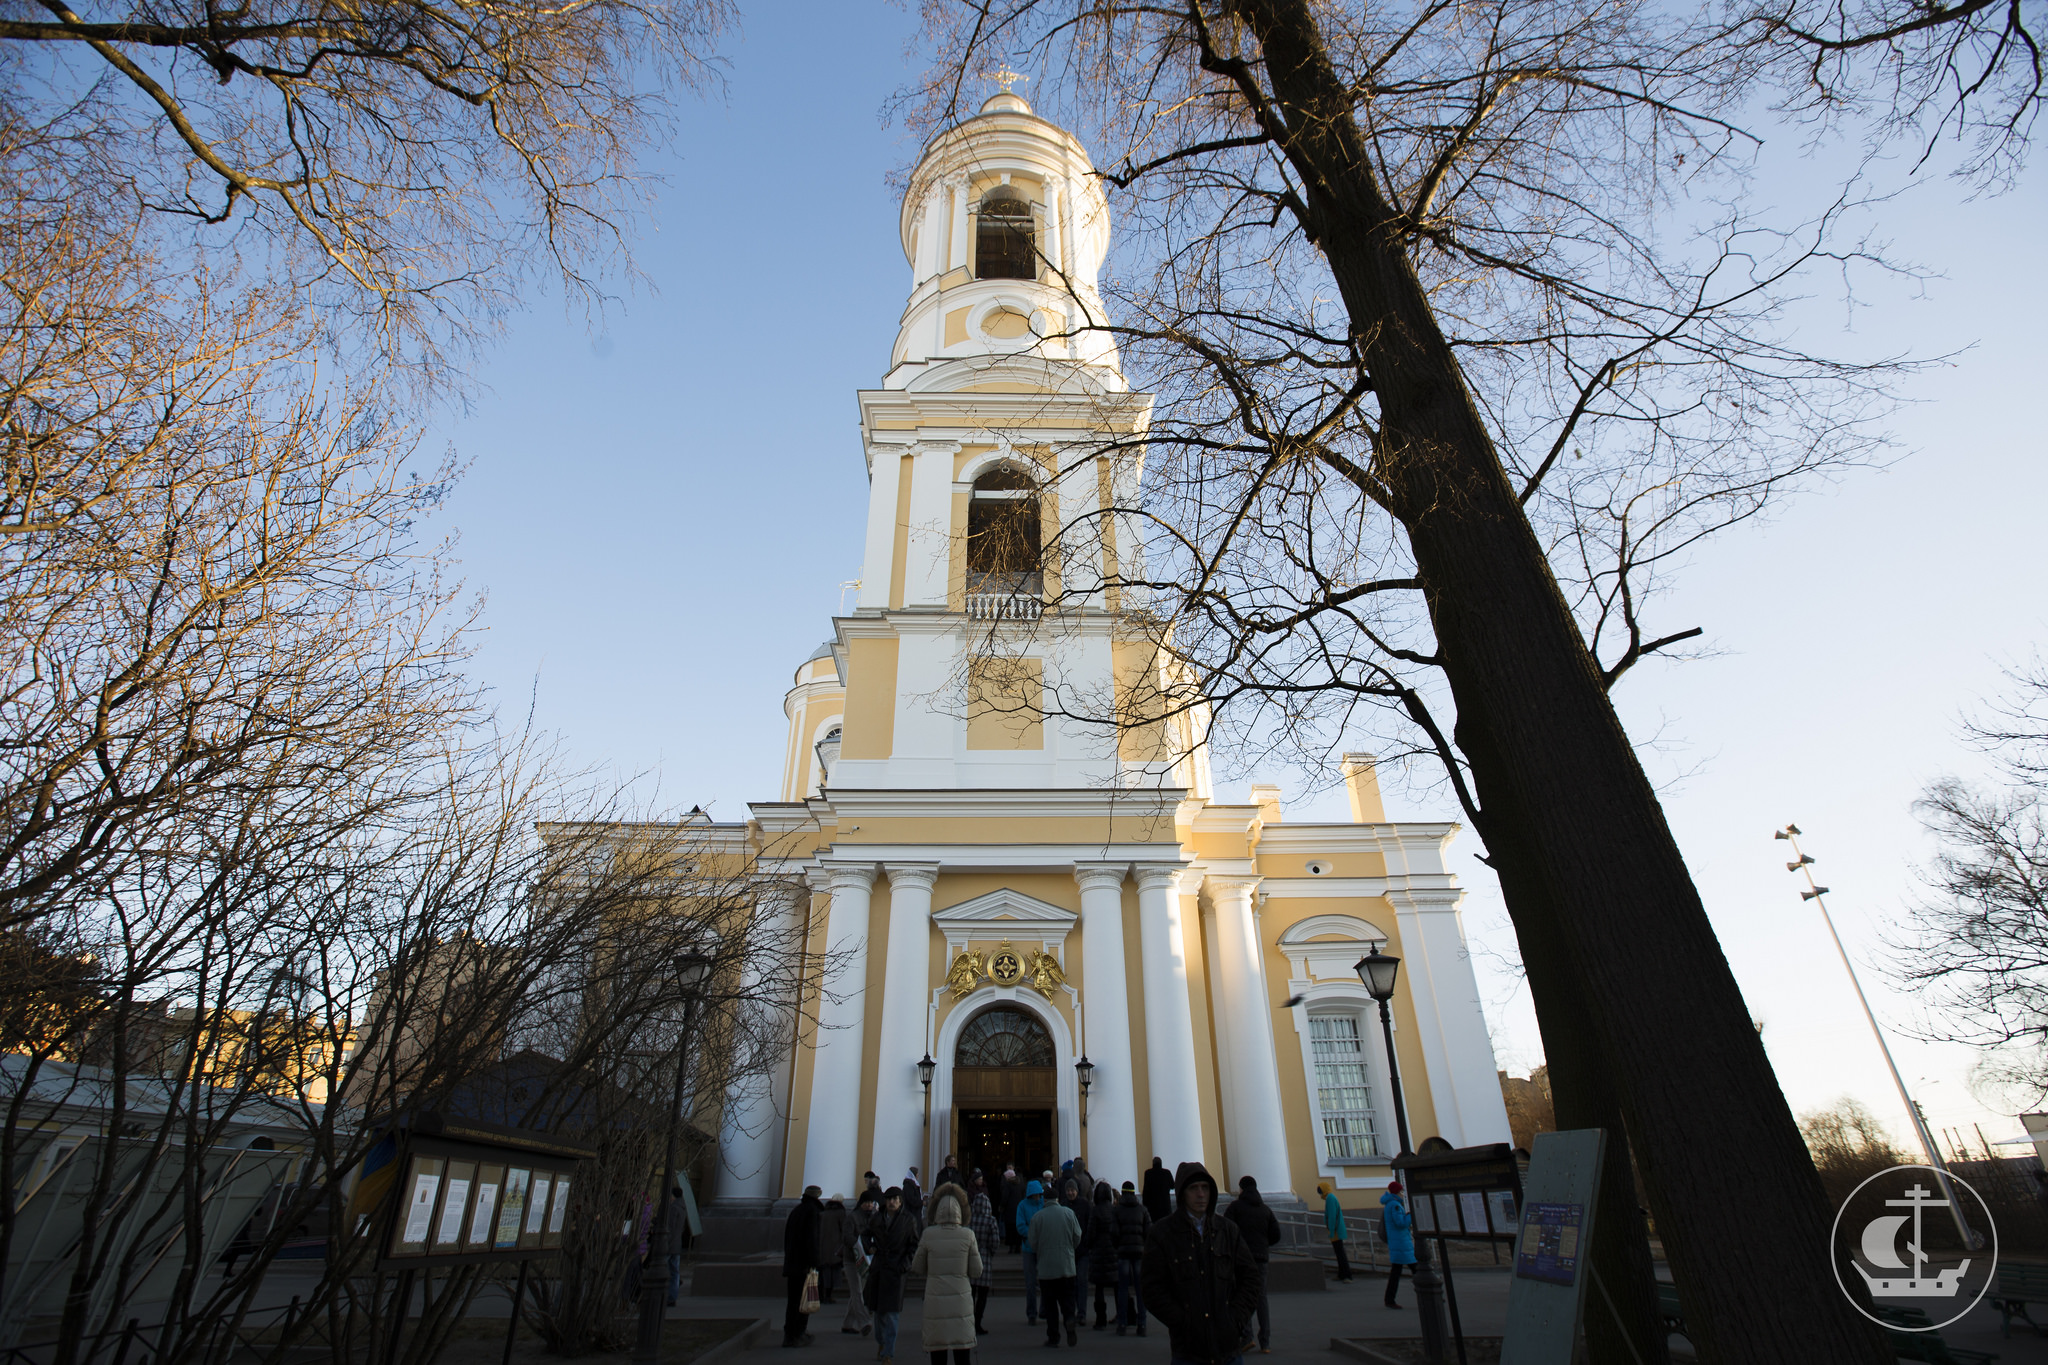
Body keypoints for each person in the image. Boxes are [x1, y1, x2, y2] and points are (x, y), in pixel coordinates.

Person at [1140, 1163, 1260, 1365]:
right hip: (1188, 1351)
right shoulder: (1163, 1234)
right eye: (1193, 1189)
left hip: (1228, 1349)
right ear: (1181, 1194)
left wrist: (1235, 1319)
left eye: (1205, 1188)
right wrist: (1182, 1322)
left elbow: (1251, 1278)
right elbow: (1151, 1288)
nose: (1201, 1194)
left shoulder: (1228, 1231)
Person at [912, 1183, 984, 1365]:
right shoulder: (967, 1235)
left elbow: (917, 1267)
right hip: (961, 1302)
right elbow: (977, 1270)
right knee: (962, 1355)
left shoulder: (928, 1234)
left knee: (938, 1354)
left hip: (935, 1301)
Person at [1224, 1176, 1281, 1353]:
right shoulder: (1265, 1210)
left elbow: (1226, 1229)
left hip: (1242, 1259)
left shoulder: (1235, 1208)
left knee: (1243, 1296)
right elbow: (1276, 1234)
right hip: (1262, 1258)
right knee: (1261, 1298)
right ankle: (1266, 1342)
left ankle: (1246, 1337)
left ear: (1241, 1189)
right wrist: (1264, 1246)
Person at [864, 1187, 920, 1364]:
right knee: (879, 1313)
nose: (892, 1202)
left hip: (896, 1270)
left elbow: (913, 1245)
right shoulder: (877, 1219)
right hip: (880, 1268)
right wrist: (869, 1247)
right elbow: (865, 1235)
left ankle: (888, 1352)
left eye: (895, 1199)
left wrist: (905, 1264)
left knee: (893, 1313)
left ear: (901, 1201)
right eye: (889, 1199)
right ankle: (881, 1342)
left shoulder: (908, 1220)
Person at [1029, 1176, 1086, 1347]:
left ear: (1045, 1200)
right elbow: (1078, 1236)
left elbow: (1032, 1242)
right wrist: (1070, 1250)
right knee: (1068, 1299)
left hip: (1047, 1268)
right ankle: (1069, 1320)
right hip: (1067, 1266)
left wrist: (1042, 1251)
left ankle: (1053, 1336)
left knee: (1050, 1303)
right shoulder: (1069, 1213)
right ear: (1057, 1199)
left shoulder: (1038, 1217)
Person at [782, 1185, 823, 1348]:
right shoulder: (812, 1212)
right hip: (805, 1266)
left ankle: (789, 1334)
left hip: (792, 1264)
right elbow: (812, 1240)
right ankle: (798, 1334)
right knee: (804, 1301)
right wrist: (815, 1263)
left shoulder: (796, 1211)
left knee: (793, 1301)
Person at [1112, 1180, 1150, 1336]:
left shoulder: (1117, 1210)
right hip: (1139, 1254)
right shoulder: (1142, 1210)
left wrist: (1118, 1246)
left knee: (1122, 1289)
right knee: (1140, 1290)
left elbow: (1113, 1232)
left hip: (1123, 1254)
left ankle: (1122, 1323)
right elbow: (1149, 1231)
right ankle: (1142, 1324)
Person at [968, 1177, 1001, 1335]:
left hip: (970, 1260)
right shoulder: (990, 1220)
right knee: (982, 1295)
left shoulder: (969, 1220)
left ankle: (968, 1322)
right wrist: (990, 1253)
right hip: (985, 1260)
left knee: (970, 1294)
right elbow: (995, 1242)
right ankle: (978, 1322)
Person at [1059, 1176, 1093, 1333]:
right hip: (1068, 1250)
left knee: (1082, 1281)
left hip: (1082, 1250)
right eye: (1068, 1190)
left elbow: (1089, 1224)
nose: (1070, 1192)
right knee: (1070, 1283)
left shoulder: (1084, 1205)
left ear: (1077, 1191)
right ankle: (1071, 1313)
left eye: (1072, 1190)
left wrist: (1085, 1242)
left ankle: (1082, 1313)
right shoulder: (1063, 1206)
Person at [841, 1191, 877, 1337]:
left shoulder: (873, 1218)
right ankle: (864, 1322)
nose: (869, 1205)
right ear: (861, 1203)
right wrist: (858, 1245)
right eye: (866, 1202)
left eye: (871, 1202)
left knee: (857, 1292)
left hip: (865, 1259)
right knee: (856, 1291)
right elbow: (847, 1236)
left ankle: (847, 1324)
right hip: (851, 1259)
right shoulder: (852, 1217)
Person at [1379, 1182, 1416, 1310]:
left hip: (1399, 1243)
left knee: (1397, 1272)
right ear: (1397, 1192)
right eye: (1401, 1191)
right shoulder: (1395, 1205)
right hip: (1401, 1243)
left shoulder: (1390, 1204)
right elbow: (1400, 1223)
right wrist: (1410, 1215)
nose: (1402, 1193)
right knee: (1415, 1270)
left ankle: (1389, 1299)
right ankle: (1427, 1292)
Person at [1015, 1178, 1047, 1323]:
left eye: (1039, 1194)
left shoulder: (1044, 1204)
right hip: (1029, 1247)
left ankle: (1044, 1309)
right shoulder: (1023, 1206)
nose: (1037, 1197)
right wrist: (1034, 1234)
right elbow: (1020, 1226)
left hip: (1043, 1248)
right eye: (1035, 1194)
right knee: (1030, 1283)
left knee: (1046, 1280)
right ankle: (1031, 1313)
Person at [1087, 1180, 1119, 1329]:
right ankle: (1121, 1315)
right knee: (1117, 1286)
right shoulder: (1115, 1210)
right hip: (1113, 1252)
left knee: (1099, 1288)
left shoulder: (1095, 1210)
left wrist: (1090, 1245)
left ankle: (1101, 1320)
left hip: (1099, 1253)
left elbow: (1091, 1233)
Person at [816, 1193, 850, 1307]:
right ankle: (828, 1296)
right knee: (833, 1273)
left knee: (824, 1273)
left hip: (823, 1248)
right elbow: (845, 1230)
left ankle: (823, 1296)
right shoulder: (841, 1213)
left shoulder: (823, 1213)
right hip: (836, 1248)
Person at [1316, 1184, 1354, 1282]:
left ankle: (1347, 1276)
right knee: (1338, 1253)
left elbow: (1332, 1216)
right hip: (1335, 1230)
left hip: (1335, 1231)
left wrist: (1331, 1230)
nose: (1319, 1193)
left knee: (1340, 1253)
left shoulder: (1330, 1199)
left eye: (1320, 1191)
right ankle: (1341, 1274)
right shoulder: (1330, 1198)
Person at [1000, 1166, 1024, 1252]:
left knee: (1010, 1228)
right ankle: (1018, 1246)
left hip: (1009, 1210)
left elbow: (1005, 1197)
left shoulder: (1008, 1185)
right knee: (1017, 1227)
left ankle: (1011, 1246)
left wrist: (1002, 1206)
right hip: (1018, 1209)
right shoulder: (1020, 1184)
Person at [1142, 1157, 1174, 1223]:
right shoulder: (1167, 1173)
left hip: (1152, 1207)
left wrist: (1144, 1203)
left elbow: (1145, 1190)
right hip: (1165, 1206)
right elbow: (1172, 1186)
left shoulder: (1148, 1173)